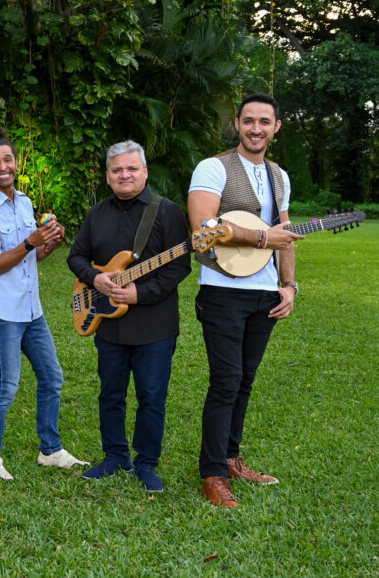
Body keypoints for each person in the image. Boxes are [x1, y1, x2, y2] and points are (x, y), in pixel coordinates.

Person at [188, 93, 303, 508]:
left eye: (265, 121)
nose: (256, 128)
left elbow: (285, 235)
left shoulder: (280, 176)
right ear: (236, 124)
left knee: (245, 380)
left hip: (264, 295)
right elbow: (203, 229)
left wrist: (289, 286)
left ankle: (232, 458)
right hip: (222, 293)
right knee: (225, 381)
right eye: (249, 120)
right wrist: (259, 237)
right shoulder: (213, 168)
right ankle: (213, 474)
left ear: (276, 127)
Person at [66, 140, 191, 493]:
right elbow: (75, 258)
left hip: (155, 325)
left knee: (152, 396)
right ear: (107, 176)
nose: (125, 175)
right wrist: (95, 278)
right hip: (107, 323)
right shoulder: (96, 214)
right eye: (117, 170)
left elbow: (180, 266)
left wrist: (140, 293)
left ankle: (147, 463)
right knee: (111, 393)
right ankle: (115, 456)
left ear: (145, 172)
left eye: (132, 169)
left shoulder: (167, 212)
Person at [0, 127, 88, 481]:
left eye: (7, 159)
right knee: (7, 386)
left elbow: (28, 258)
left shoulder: (24, 202)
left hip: (31, 310)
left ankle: (50, 450)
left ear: (16, 163)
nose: (2, 166)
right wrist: (31, 241)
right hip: (2, 311)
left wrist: (49, 243)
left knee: (52, 377)